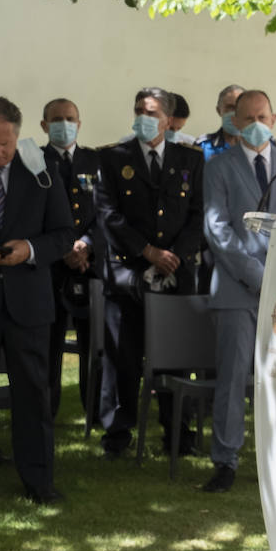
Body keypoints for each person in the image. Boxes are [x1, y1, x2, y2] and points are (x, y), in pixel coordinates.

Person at [200, 90, 276, 493]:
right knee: (233, 377)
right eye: (246, 117)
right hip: (236, 291)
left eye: (261, 116)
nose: (254, 123)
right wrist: (256, 274)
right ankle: (225, 460)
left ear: (274, 117)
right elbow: (217, 230)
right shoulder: (219, 167)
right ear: (235, 121)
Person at [95, 87, 203, 458]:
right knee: (123, 357)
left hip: (174, 274)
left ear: (169, 120)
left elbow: (199, 215)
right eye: (139, 109)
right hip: (127, 274)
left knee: (176, 357)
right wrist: (147, 251)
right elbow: (108, 214)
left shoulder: (190, 158)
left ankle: (178, 433)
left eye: (152, 112)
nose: (144, 116)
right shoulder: (112, 157)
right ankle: (118, 434)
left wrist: (175, 255)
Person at [0, 96, 76, 504]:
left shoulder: (40, 172)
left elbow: (64, 234)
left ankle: (39, 481)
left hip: (26, 300)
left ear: (17, 137)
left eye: (4, 145)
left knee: (32, 394)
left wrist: (28, 249)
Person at [40, 98, 102, 419]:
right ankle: (46, 415)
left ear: (79, 123)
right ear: (44, 125)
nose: (64, 124)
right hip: (50, 269)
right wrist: (63, 248)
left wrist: (86, 245)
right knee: (49, 346)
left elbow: (105, 211)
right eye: (57, 119)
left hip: (87, 268)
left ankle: (94, 413)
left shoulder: (95, 161)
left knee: (93, 347)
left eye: (70, 118)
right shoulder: (33, 162)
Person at [196, 84, 244, 161]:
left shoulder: (258, 146)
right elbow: (188, 173)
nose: (235, 112)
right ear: (219, 110)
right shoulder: (203, 146)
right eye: (229, 107)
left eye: (239, 107)